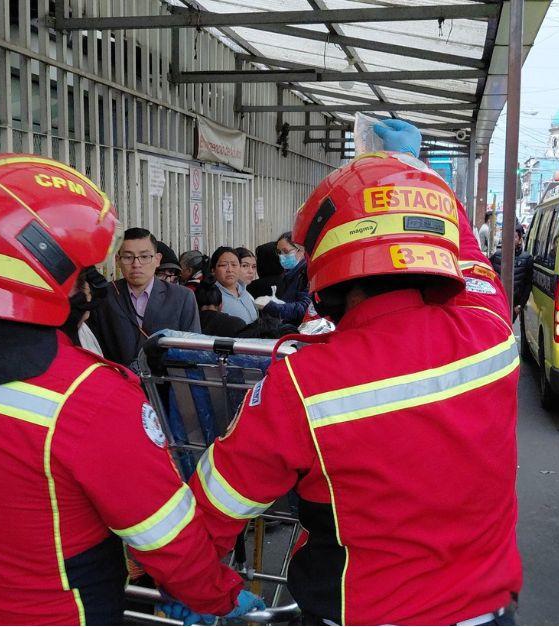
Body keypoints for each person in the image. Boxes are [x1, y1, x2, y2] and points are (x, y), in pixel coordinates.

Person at [0, 155, 263, 624]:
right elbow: (166, 539)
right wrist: (216, 594)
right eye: (82, 274)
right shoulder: (89, 399)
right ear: (43, 271)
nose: (89, 289)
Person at [163, 121, 522, 625]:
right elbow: (471, 258)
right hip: (487, 612)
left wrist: (204, 588)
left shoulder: (302, 385)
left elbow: (212, 510)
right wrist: (413, 178)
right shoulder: (489, 330)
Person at [88, 228, 200, 369]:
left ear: (157, 259)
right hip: (118, 383)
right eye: (128, 257)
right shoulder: (104, 295)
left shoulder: (182, 297)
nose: (136, 264)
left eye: (145, 256)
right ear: (118, 260)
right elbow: (93, 347)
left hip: (167, 385)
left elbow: (194, 350)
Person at [254, 232, 310, 325]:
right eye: (279, 252)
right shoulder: (289, 274)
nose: (281, 256)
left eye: (286, 251)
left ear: (300, 250)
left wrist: (272, 306)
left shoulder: (306, 274)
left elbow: (305, 308)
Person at [490, 224, 534, 321]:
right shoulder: (496, 256)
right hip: (497, 304)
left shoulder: (527, 259)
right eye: (508, 237)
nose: (510, 240)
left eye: (514, 237)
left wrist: (520, 306)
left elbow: (528, 285)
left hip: (514, 305)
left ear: (519, 239)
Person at [211, 246, 258, 324]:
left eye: (234, 265)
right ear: (213, 270)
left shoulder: (244, 291)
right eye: (223, 265)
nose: (230, 270)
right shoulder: (212, 296)